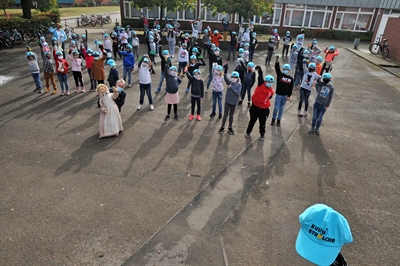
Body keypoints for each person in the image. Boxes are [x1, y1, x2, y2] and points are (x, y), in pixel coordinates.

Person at [245, 66, 274, 140]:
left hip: (264, 110)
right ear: (265, 81)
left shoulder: (271, 91)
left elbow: (269, 98)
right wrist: (259, 69)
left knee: (262, 124)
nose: (269, 83)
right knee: (252, 121)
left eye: (271, 82)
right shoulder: (261, 85)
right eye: (268, 82)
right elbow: (260, 76)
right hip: (255, 107)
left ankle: (262, 134)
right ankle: (248, 132)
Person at [270, 55, 294, 126]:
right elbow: (277, 68)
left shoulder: (291, 78)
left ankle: (279, 120)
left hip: (285, 96)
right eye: (285, 69)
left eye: (287, 69)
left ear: (289, 70)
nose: (286, 70)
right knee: (276, 108)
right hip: (279, 95)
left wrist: (289, 95)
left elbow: (291, 87)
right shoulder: (280, 75)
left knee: (281, 109)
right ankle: (273, 119)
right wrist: (277, 59)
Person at [218, 67, 242, 135]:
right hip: (227, 101)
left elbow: (238, 93)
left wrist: (231, 88)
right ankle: (222, 127)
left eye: (235, 77)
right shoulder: (229, 82)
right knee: (225, 115)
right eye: (232, 77)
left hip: (234, 102)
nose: (233, 78)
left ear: (238, 78)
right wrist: (224, 69)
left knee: (231, 115)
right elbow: (225, 76)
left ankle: (230, 127)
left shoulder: (239, 85)